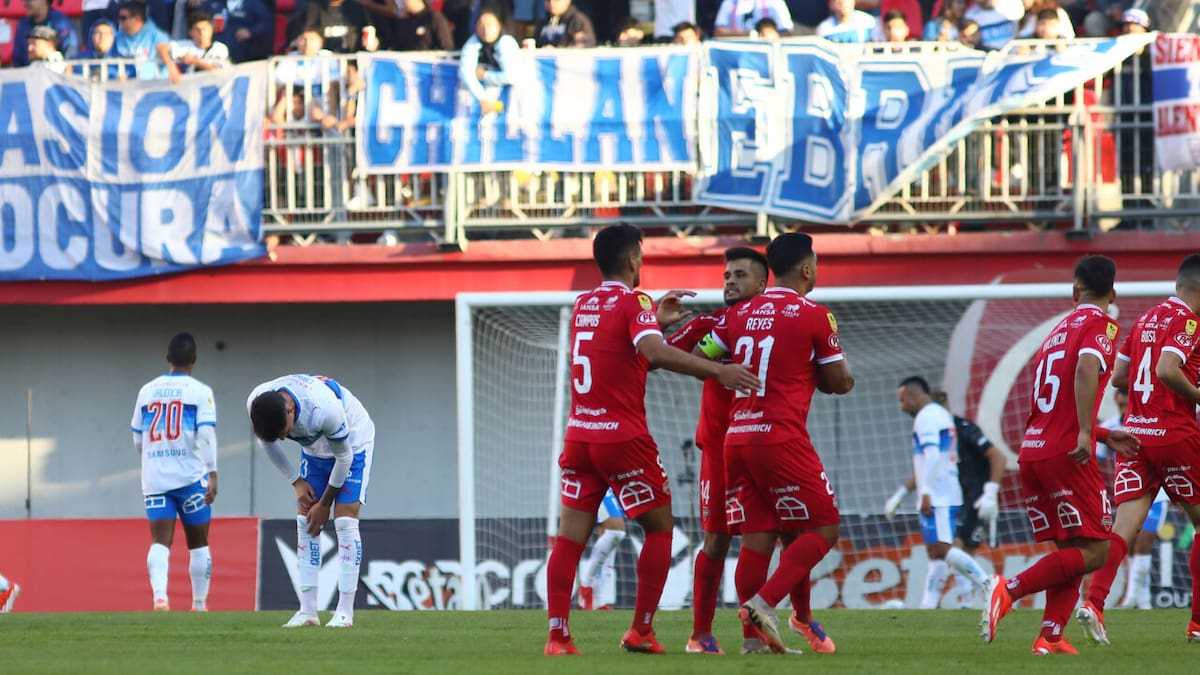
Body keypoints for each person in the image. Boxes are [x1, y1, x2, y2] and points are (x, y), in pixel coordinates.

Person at [542, 224, 761, 656]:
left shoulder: (583, 303)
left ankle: (558, 637)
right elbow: (654, 354)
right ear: (631, 261)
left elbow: (617, 348)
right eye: (640, 256)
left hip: (580, 434)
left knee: (569, 540)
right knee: (660, 530)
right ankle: (641, 629)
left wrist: (653, 321)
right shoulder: (633, 300)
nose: (641, 263)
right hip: (622, 438)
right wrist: (720, 370)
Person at [697, 232, 855, 654]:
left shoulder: (736, 315)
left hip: (736, 438)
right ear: (807, 270)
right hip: (780, 436)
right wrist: (832, 373)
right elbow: (838, 383)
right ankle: (765, 603)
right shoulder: (816, 315)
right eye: (816, 264)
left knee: (758, 536)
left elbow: (704, 353)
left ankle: (753, 644)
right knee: (824, 527)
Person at [981, 255, 1140, 655]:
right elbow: (1088, 369)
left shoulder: (1055, 332)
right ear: (1113, 294)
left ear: (1074, 291)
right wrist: (1088, 432)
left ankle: (1051, 636)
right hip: (1067, 454)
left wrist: (1101, 434)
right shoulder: (1101, 324)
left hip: (1034, 450)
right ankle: (1009, 589)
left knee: (1077, 551)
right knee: (1099, 549)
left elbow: (1050, 405)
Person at [1081, 254, 1200, 642]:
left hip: (1135, 434)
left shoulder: (1145, 319)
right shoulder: (1188, 322)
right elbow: (1167, 369)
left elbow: (1118, 377)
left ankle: (1094, 602)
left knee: (1123, 528)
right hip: (1175, 435)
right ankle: (1198, 623)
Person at [248, 374, 376, 629]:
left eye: (284, 432)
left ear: (290, 410)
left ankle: (345, 613)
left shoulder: (324, 410)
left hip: (353, 443)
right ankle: (307, 612)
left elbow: (344, 458)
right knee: (305, 518)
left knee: (345, 522)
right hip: (316, 449)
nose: (283, 439)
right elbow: (267, 443)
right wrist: (296, 482)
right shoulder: (258, 402)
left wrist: (325, 504)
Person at [884, 378, 990, 610]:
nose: (902, 406)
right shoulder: (941, 414)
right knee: (937, 551)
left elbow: (932, 454)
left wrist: (926, 492)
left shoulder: (925, 417)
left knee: (942, 548)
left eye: (902, 400)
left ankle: (988, 585)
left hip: (938, 493)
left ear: (913, 397)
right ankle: (934, 604)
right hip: (948, 490)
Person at [130, 332, 218, 612]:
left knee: (159, 541)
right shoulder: (200, 392)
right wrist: (212, 472)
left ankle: (159, 597)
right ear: (194, 360)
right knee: (198, 543)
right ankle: (199, 605)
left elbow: (137, 438)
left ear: (167, 359)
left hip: (155, 479)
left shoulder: (146, 391)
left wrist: (151, 463)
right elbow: (205, 434)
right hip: (190, 478)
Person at [1095, 386, 1168, 610]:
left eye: (1128, 401)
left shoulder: (1151, 423)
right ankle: (1142, 600)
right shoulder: (1110, 427)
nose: (1124, 405)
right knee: (1130, 543)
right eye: (1121, 401)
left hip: (1157, 494)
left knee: (1144, 542)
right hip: (1128, 492)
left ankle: (1132, 599)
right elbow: (1097, 459)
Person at [931, 389, 1006, 608]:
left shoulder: (965, 429)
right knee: (955, 551)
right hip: (954, 501)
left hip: (976, 500)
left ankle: (980, 595)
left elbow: (998, 457)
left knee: (955, 548)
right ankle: (972, 601)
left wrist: (990, 493)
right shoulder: (936, 435)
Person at [459, 8, 519, 117]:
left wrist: (485, 76)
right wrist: (482, 98)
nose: (485, 29)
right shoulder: (472, 44)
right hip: (484, 100)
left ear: (499, 26)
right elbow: (466, 73)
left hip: (514, 97)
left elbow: (511, 76)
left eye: (489, 25)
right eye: (481, 25)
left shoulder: (507, 43)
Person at [576, 488, 626, 611]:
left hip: (611, 483)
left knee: (608, 535)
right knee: (616, 531)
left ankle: (599, 601)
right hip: (596, 481)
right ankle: (585, 586)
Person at [114, 1, 177, 81]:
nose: (120, 21)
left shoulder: (156, 35)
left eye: (123, 18)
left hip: (155, 87)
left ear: (137, 19)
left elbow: (163, 49)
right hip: (127, 88)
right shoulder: (117, 37)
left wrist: (171, 67)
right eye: (119, 18)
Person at [11, 0, 79, 67]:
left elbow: (70, 60)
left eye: (29, 0)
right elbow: (17, 62)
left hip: (56, 75)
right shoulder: (23, 25)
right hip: (27, 75)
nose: (24, 3)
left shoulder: (62, 23)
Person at [712, 0, 794, 37]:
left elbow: (788, 32)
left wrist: (772, 36)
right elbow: (718, 32)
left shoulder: (775, 2)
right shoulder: (729, 2)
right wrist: (747, 34)